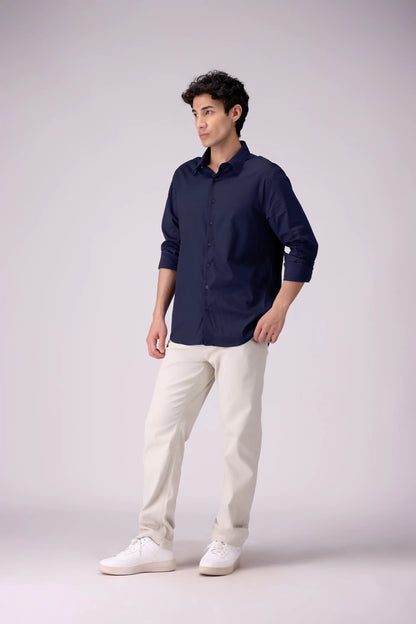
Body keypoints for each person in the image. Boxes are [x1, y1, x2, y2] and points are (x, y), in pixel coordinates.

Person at [99, 69, 318, 577]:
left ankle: (228, 538)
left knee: (238, 438)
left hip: (244, 330)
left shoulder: (265, 177)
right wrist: (158, 314)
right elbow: (171, 247)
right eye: (195, 114)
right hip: (189, 329)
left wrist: (280, 308)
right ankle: (154, 539)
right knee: (161, 430)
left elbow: (302, 244)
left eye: (209, 112)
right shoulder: (184, 178)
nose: (199, 122)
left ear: (234, 113)